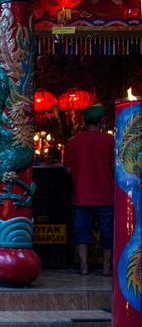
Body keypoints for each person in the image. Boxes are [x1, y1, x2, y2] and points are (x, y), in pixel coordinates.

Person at [64, 104, 114, 276]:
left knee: (82, 232)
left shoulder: (72, 143)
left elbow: (68, 170)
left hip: (82, 196)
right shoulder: (110, 141)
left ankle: (84, 267)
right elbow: (116, 168)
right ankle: (107, 268)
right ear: (102, 122)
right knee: (108, 233)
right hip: (106, 196)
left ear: (83, 121)